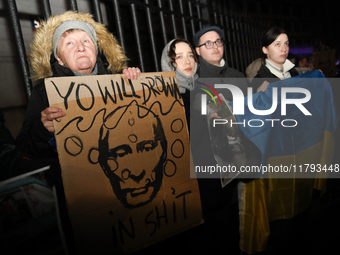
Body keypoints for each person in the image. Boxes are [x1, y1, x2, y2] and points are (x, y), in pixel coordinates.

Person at [16, 11, 141, 160]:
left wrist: (136, 82)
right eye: (69, 43)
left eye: (86, 41)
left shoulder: (118, 81)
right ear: (59, 58)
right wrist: (42, 129)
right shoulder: (44, 93)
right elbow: (24, 151)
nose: (81, 48)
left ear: (95, 49)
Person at [192, 26, 248, 100]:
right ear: (198, 51)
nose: (215, 47)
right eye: (208, 43)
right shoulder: (194, 80)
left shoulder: (238, 76)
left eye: (218, 42)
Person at [161, 38, 198, 125]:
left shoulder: (202, 90)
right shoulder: (165, 99)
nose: (187, 61)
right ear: (168, 62)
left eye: (190, 55)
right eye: (179, 57)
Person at [251, 27, 299, 93]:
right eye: (277, 44)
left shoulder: (293, 72)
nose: (284, 49)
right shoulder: (259, 81)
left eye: (286, 44)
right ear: (265, 50)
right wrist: (258, 95)